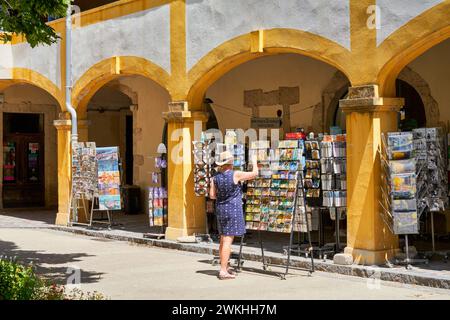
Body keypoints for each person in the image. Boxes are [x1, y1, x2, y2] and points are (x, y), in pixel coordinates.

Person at [209, 151, 258, 280]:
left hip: (221, 209)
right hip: (233, 209)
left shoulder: (215, 177)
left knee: (223, 239)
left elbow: (212, 195)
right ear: (230, 163)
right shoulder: (235, 174)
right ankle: (223, 270)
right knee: (227, 241)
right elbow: (254, 174)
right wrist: (255, 162)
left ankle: (225, 266)